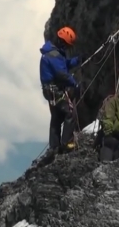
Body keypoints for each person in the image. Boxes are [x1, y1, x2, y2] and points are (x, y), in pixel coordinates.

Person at [39, 26, 82, 154]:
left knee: (56, 116)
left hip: (50, 90)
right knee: (69, 112)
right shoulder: (54, 54)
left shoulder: (53, 52)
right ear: (63, 42)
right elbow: (61, 74)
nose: (67, 48)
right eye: (67, 45)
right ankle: (66, 142)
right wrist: (74, 84)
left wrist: (77, 61)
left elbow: (63, 65)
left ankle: (54, 147)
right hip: (55, 90)